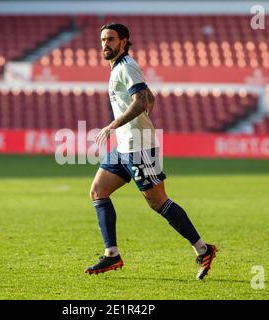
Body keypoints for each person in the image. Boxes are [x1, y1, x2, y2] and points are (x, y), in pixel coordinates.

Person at [85, 23, 217, 280]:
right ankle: (111, 254)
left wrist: (115, 125)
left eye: (110, 39)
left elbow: (142, 100)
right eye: (102, 40)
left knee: (157, 202)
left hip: (140, 146)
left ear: (124, 41)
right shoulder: (117, 69)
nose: (105, 44)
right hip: (124, 147)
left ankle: (203, 250)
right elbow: (150, 98)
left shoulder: (127, 67)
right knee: (97, 192)